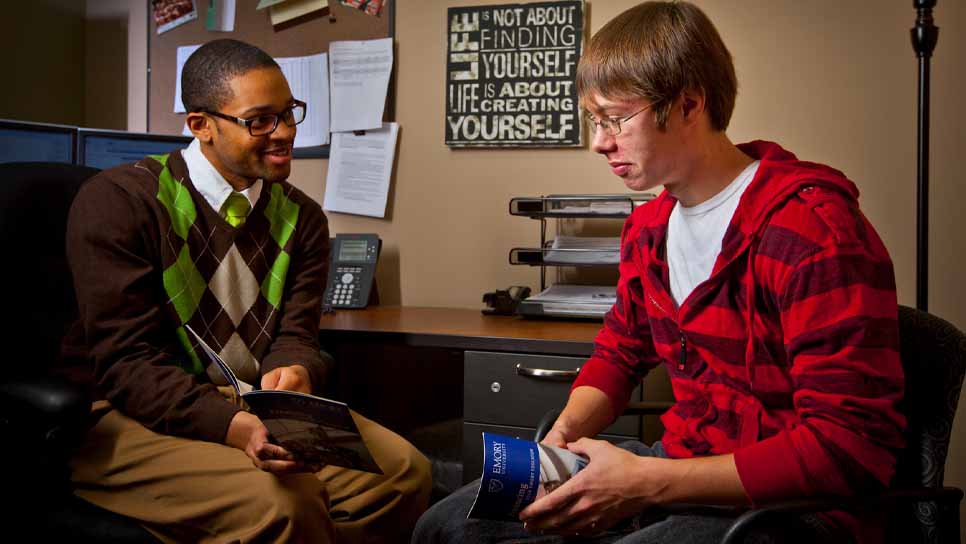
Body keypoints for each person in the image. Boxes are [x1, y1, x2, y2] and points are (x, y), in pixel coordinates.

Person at [412, 2, 905, 543]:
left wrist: (647, 482)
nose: (599, 141)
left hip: (788, 509)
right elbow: (620, 353)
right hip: (678, 467)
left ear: (689, 103)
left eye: (614, 119)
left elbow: (848, 448)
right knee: (447, 527)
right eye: (592, 121)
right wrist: (558, 443)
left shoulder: (810, 230)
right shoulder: (649, 230)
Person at [59, 39, 431, 543]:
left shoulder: (302, 217)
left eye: (289, 113)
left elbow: (298, 335)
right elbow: (129, 365)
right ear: (201, 125)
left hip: (252, 406)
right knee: (287, 505)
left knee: (403, 474)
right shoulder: (120, 202)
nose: (284, 133)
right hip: (126, 417)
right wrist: (232, 424)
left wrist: (297, 370)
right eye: (259, 120)